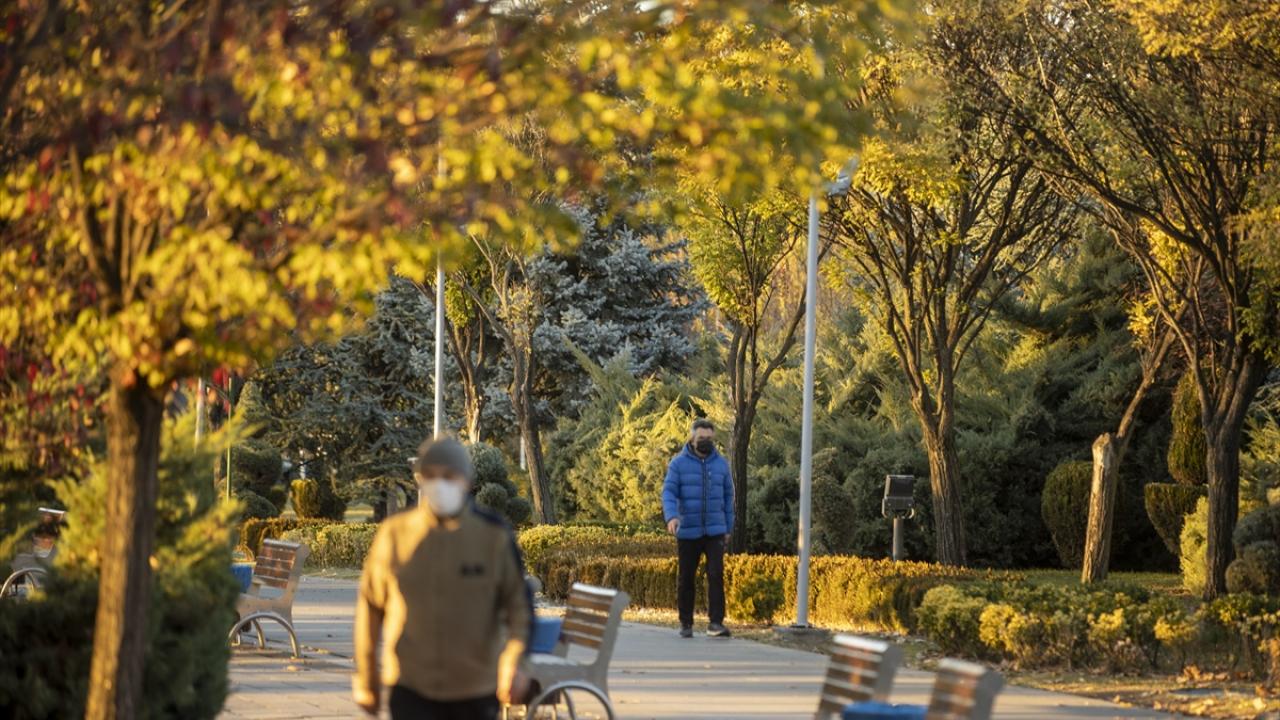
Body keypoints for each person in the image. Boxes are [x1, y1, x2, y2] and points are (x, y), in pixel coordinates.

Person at [353, 437, 532, 719]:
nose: (439, 483)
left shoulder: (493, 535)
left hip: (475, 688)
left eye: (449, 476)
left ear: (466, 480)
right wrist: (367, 676)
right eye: (431, 475)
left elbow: (519, 606)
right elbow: (370, 608)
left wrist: (515, 661)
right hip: (409, 684)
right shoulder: (395, 534)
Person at [662, 418, 734, 639]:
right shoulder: (678, 464)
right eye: (702, 438)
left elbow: (728, 497)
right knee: (686, 577)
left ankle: (716, 623)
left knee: (716, 574)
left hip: (715, 530)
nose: (706, 442)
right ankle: (686, 622)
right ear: (692, 439)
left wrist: (728, 527)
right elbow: (669, 492)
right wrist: (672, 517)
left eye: (710, 439)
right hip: (688, 530)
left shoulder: (721, 465)